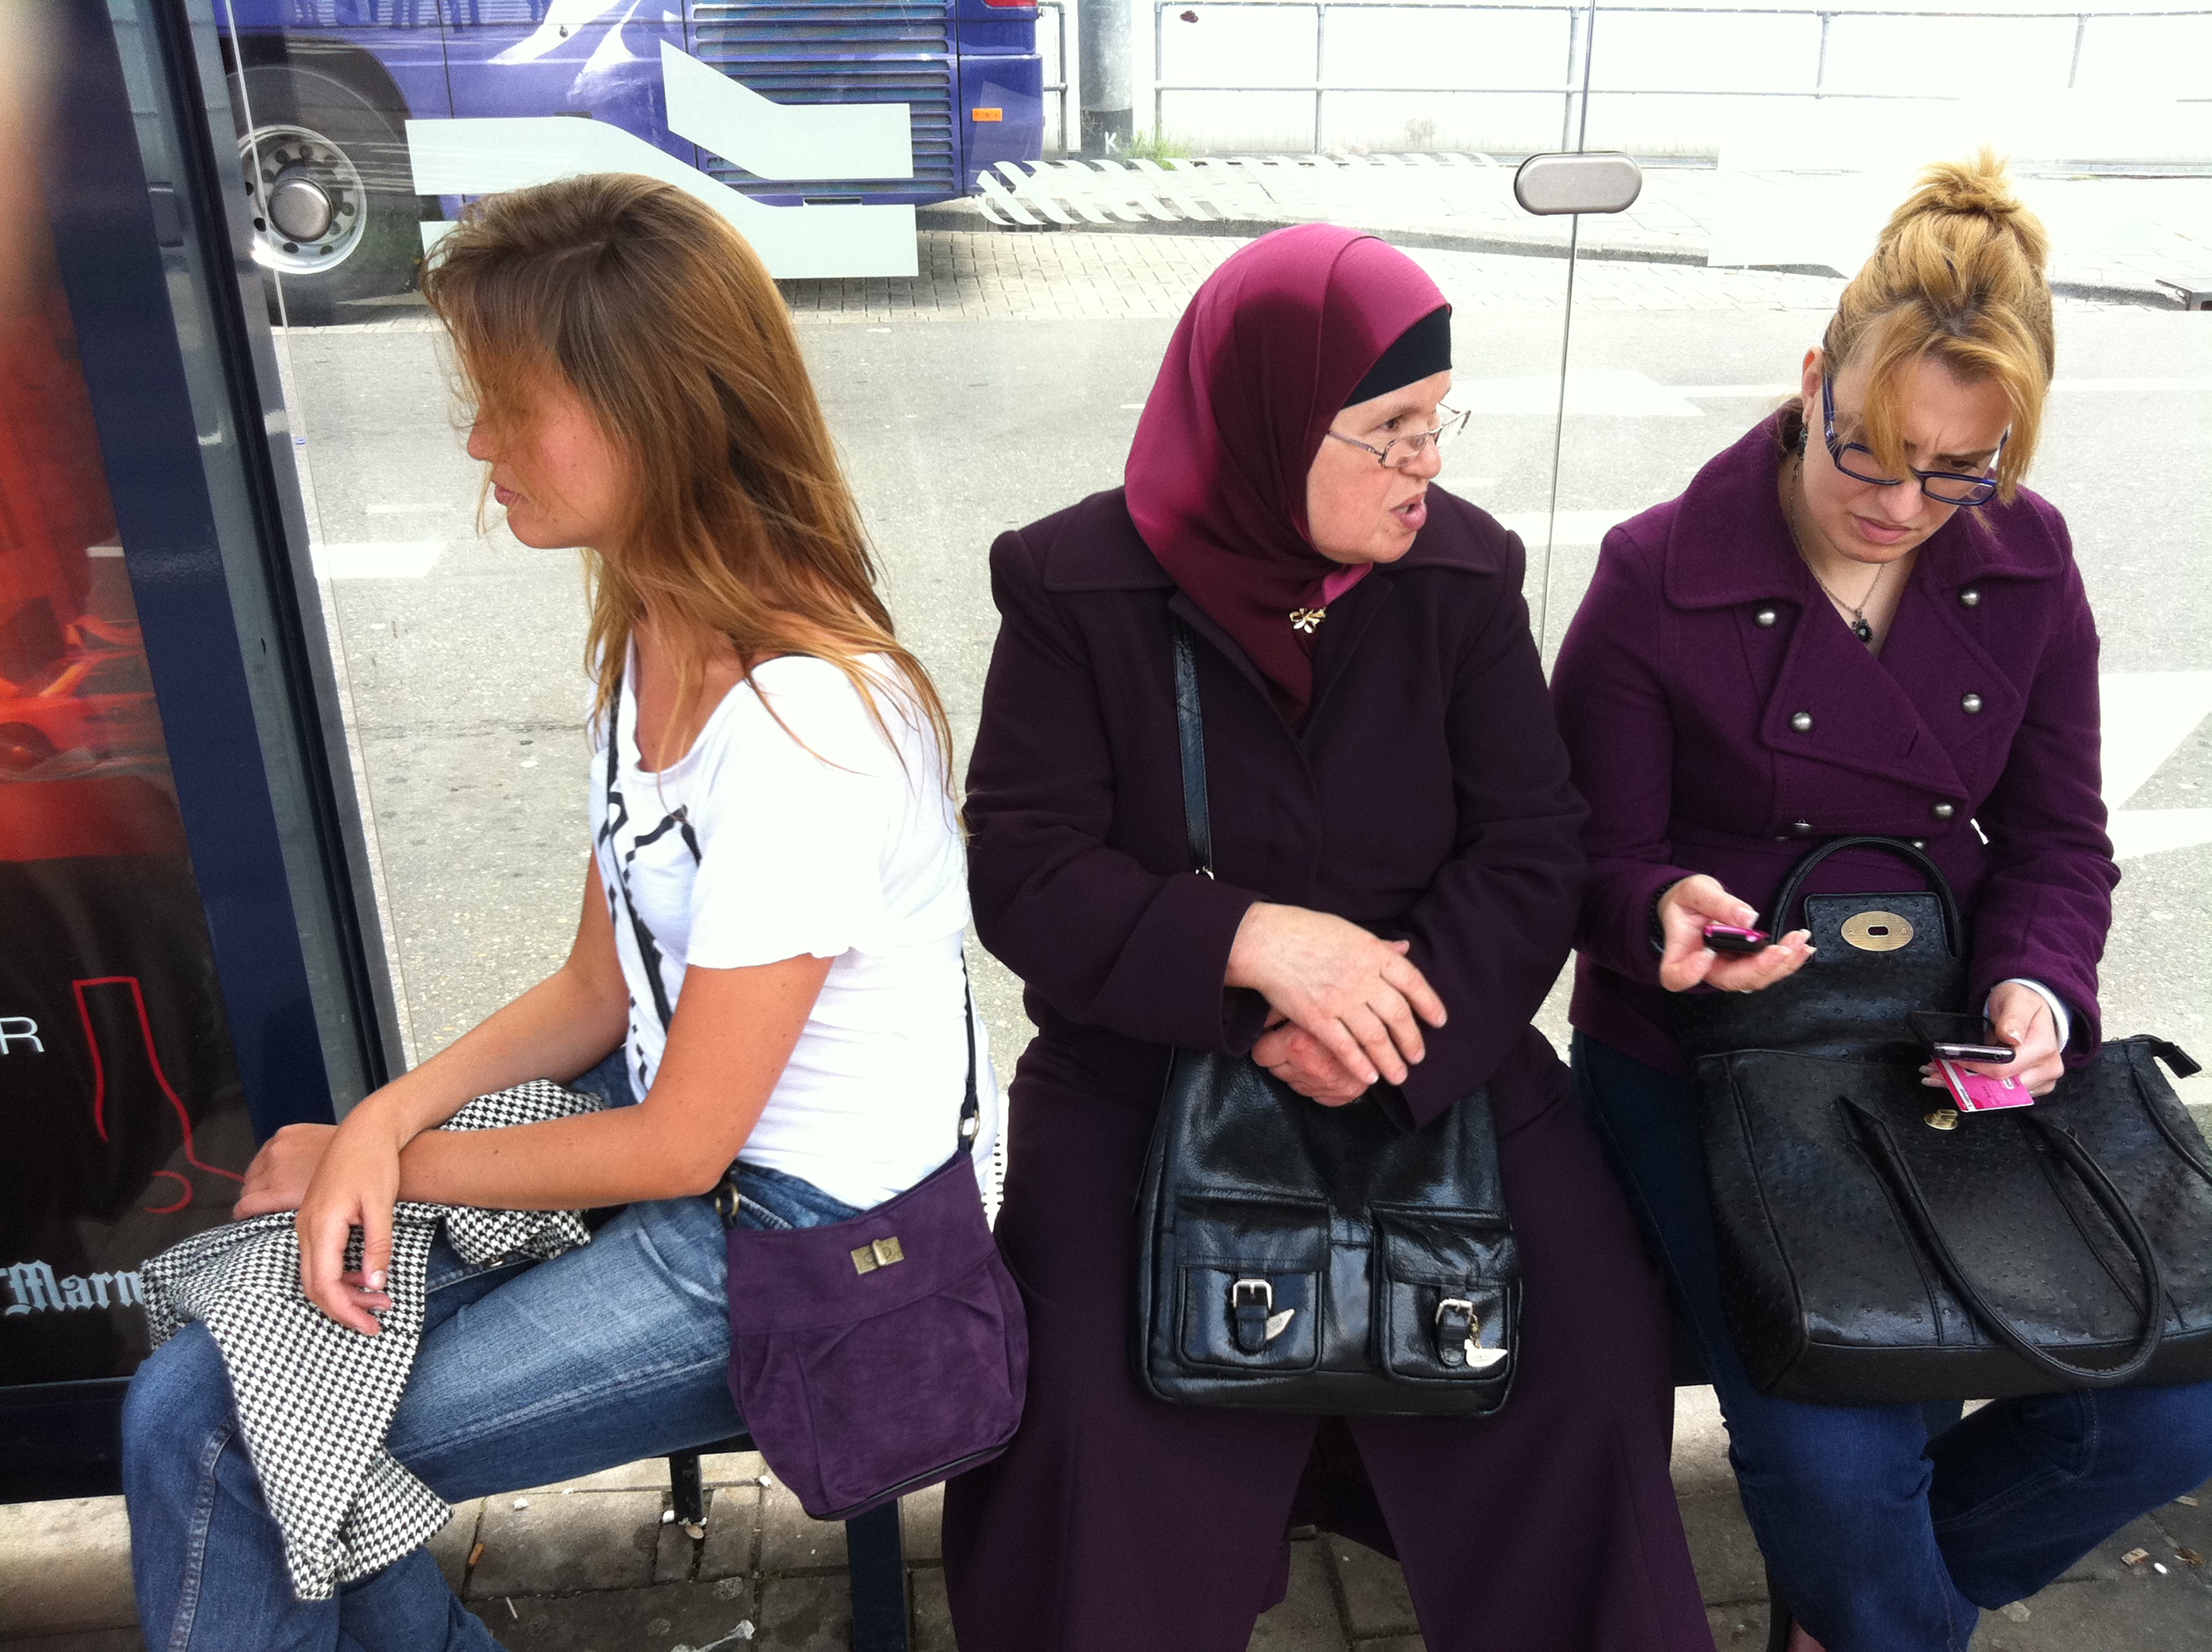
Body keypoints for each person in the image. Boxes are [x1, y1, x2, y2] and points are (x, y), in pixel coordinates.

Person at [119, 173, 992, 1651]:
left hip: (793, 1244)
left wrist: (387, 1165)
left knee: (234, 1442)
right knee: (214, 1396)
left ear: (661, 413)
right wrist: (383, 1123)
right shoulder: (650, 631)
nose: (480, 445)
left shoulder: (802, 729)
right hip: (676, 1157)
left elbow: (684, 1142)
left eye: (515, 407)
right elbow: (599, 985)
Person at [941, 222, 1714, 1652]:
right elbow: (1027, 871)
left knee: (1586, 1351)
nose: (1424, 463)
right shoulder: (1072, 585)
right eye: (1388, 429)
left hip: (1441, 1053)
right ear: (1265, 424)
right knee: (1089, 1414)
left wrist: (1387, 1020)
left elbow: (1532, 845)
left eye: (1437, 422)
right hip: (1147, 1073)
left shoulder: (1462, 574)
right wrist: (1256, 948)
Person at [1552, 152, 2212, 1652]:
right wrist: (1658, 912)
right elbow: (1577, 850)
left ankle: (1858, 1619)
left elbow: (2059, 837)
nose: (1902, 504)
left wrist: (2038, 982)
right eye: (1871, 452)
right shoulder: (1658, 573)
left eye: (1959, 469)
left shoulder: (2028, 560)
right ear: (1813, 381)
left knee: (2166, 1405)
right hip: (1709, 1059)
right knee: (1837, 1458)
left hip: (1940, 1038)